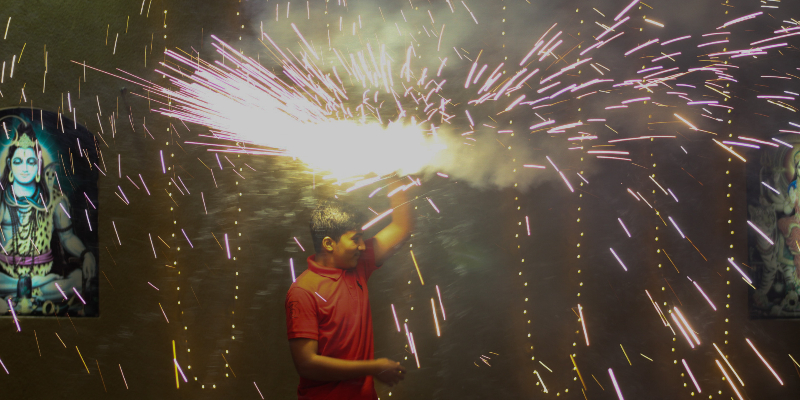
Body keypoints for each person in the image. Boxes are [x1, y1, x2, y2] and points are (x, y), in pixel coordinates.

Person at [285, 180, 414, 400]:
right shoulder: (302, 291)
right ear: (328, 243)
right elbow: (307, 364)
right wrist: (372, 367)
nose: (363, 246)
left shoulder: (358, 265)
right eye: (355, 239)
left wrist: (396, 177)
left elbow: (401, 228)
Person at [0, 119, 96, 314]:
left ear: (39, 166)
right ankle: (31, 297)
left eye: (31, 161)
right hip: (7, 278)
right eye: (18, 161)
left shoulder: (55, 201)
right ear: (9, 166)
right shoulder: (2, 201)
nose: (24, 167)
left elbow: (67, 237)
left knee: (77, 280)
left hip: (44, 278)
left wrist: (86, 254)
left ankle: (21, 299)